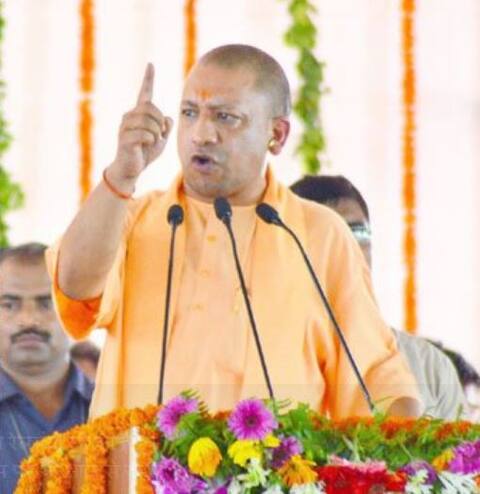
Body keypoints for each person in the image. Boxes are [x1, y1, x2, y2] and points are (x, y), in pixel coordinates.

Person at [47, 44, 420, 420]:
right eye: (189, 113)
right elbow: (75, 287)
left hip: (275, 459)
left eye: (225, 118)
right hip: (142, 457)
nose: (201, 134)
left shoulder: (316, 233)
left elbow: (375, 376)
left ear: (276, 134)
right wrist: (121, 176)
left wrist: (409, 446)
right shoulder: (133, 218)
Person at [290, 174, 468, 419]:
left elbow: (461, 445)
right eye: (327, 236)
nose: (347, 248)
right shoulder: (260, 359)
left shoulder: (428, 365)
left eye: (357, 233)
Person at [0, 243, 93, 492]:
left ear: (74, 309)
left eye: (46, 303)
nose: (29, 320)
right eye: (9, 304)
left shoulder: (114, 405)